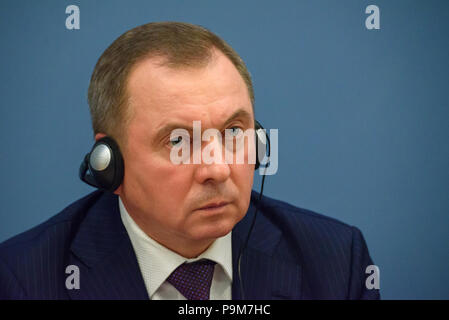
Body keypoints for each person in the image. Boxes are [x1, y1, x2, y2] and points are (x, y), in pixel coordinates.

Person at [0, 22, 380, 300]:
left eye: (234, 132)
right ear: (109, 166)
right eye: (179, 141)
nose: (217, 169)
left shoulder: (335, 262)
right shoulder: (23, 280)